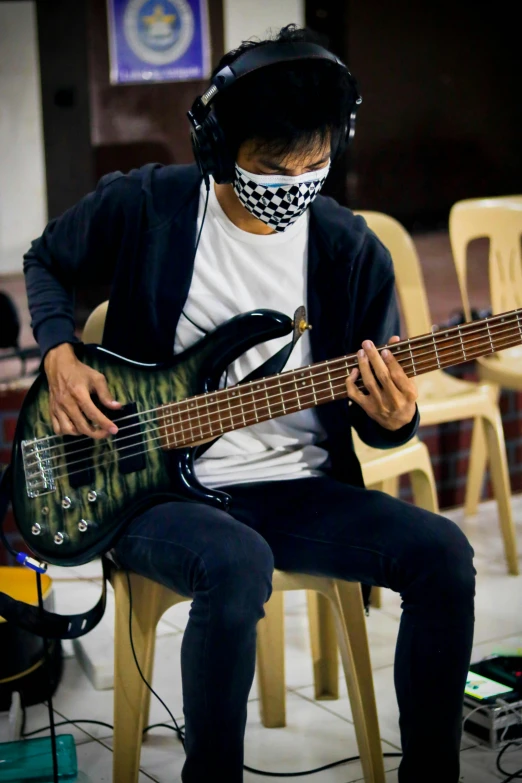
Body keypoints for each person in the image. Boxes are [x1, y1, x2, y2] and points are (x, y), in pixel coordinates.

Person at [24, 24, 475, 783]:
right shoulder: (152, 207)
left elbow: (375, 414)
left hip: (298, 487)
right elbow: (46, 259)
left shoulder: (350, 249)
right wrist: (60, 353)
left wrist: (394, 417)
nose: (295, 183)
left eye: (316, 164)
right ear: (217, 145)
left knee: (445, 556)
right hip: (148, 486)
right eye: (272, 165)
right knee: (237, 562)